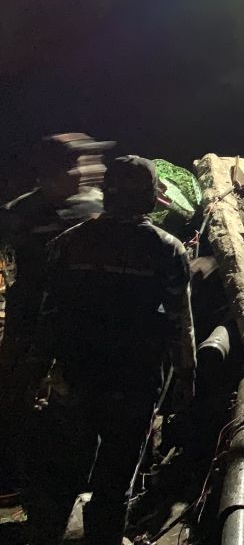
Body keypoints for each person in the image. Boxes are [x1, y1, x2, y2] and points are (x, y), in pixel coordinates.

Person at [24, 156, 193, 545]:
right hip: (135, 381)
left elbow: (49, 317)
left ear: (105, 193)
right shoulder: (167, 249)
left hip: (77, 379)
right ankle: (103, 535)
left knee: (65, 468)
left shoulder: (67, 244)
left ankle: (47, 533)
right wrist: (188, 375)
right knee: (116, 475)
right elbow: (179, 321)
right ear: (151, 198)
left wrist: (36, 374)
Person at [0, 134, 108, 499]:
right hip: (29, 319)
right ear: (48, 174)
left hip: (81, 321)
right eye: (76, 164)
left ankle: (74, 478)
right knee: (16, 394)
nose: (86, 171)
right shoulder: (20, 213)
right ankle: (14, 477)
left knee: (78, 399)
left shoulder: (95, 207)